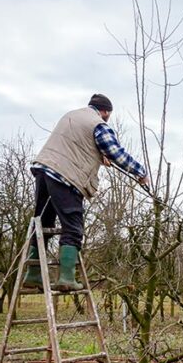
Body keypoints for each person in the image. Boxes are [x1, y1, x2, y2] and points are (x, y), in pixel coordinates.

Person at [23, 93, 149, 290]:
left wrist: (99, 155)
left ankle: (33, 274)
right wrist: (140, 172)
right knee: (72, 225)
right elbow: (116, 152)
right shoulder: (98, 124)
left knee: (43, 222)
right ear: (106, 111)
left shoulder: (71, 116)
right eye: (109, 114)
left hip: (44, 169)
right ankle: (66, 278)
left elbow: (76, 145)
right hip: (65, 175)